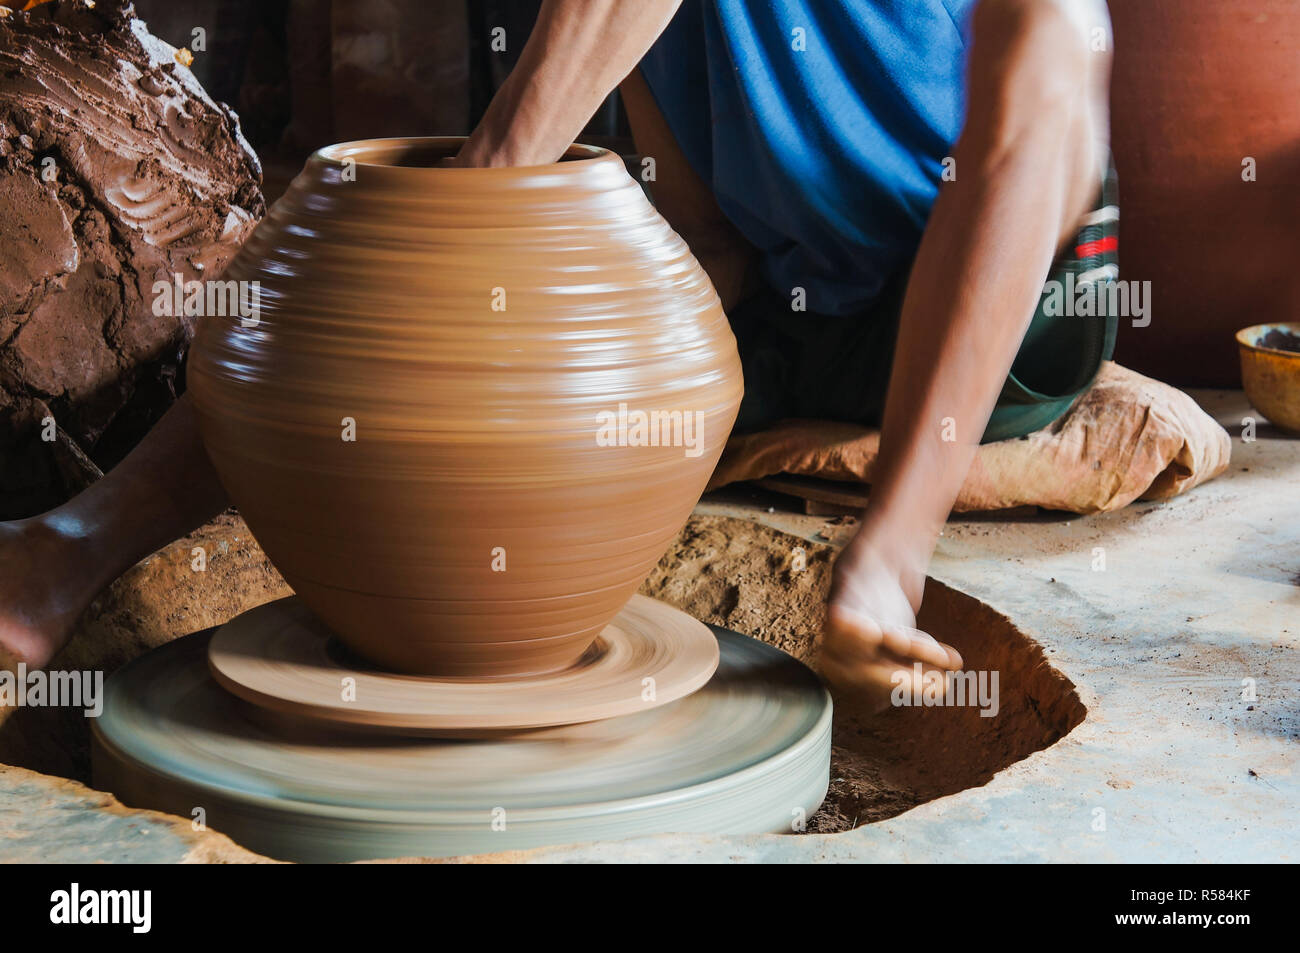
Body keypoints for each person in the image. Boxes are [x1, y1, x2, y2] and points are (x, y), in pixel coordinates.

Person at [0, 0, 1116, 699]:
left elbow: (1043, 128)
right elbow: (703, 242)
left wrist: (891, 546)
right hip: (793, 303)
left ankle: (887, 550)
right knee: (382, 308)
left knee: (1057, 32)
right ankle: (65, 551)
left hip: (1013, 305)